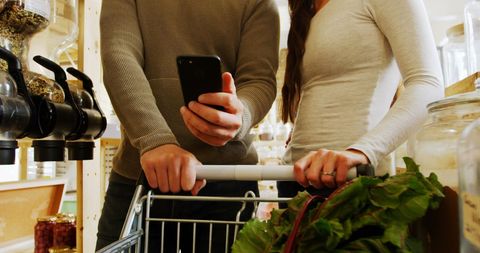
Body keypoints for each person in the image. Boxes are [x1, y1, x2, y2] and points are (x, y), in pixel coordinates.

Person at [96, 1, 279, 252]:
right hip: (139, 177)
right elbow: (118, 55)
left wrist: (239, 115)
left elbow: (259, 80)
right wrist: (155, 138)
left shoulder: (259, 4)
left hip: (227, 185)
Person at [277, 0, 443, 198]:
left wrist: (361, 151)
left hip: (353, 179)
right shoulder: (306, 9)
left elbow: (427, 84)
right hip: (293, 177)